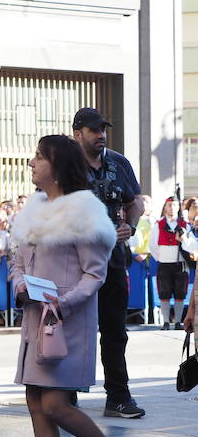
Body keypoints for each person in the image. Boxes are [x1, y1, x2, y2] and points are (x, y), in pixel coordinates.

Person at [11, 134, 137, 437]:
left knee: (54, 403)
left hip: (66, 322)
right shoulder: (33, 209)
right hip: (37, 318)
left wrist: (62, 304)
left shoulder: (84, 212)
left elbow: (94, 274)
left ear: (58, 165)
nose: (31, 164)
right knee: (36, 401)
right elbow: (18, 262)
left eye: (38, 158)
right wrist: (20, 286)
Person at [73, 107, 145, 418]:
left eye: (103, 129)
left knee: (115, 330)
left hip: (113, 261)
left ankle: (118, 396)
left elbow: (136, 202)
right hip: (72, 264)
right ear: (78, 134)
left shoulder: (118, 162)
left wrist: (130, 225)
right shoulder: (65, 163)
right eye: (94, 130)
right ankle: (65, 396)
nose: (101, 135)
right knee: (72, 330)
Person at [149, 196, 191, 330]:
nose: (171, 208)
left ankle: (178, 321)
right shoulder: (158, 224)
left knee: (180, 293)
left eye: (174, 205)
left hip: (181, 264)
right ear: (165, 207)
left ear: (178, 207)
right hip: (164, 263)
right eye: (169, 205)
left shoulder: (185, 225)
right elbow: (153, 245)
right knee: (164, 292)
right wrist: (162, 258)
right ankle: (166, 322)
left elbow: (189, 245)